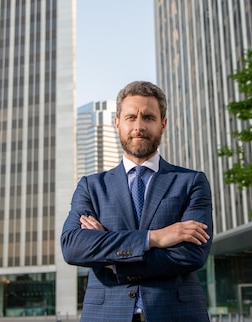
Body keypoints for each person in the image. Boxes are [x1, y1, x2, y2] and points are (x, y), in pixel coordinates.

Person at [61, 81, 213, 322]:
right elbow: (73, 246)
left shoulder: (191, 182)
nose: (139, 126)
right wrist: (155, 237)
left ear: (163, 124)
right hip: (105, 315)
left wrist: (114, 261)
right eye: (131, 117)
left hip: (176, 314)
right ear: (117, 123)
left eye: (149, 118)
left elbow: (192, 253)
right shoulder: (91, 186)